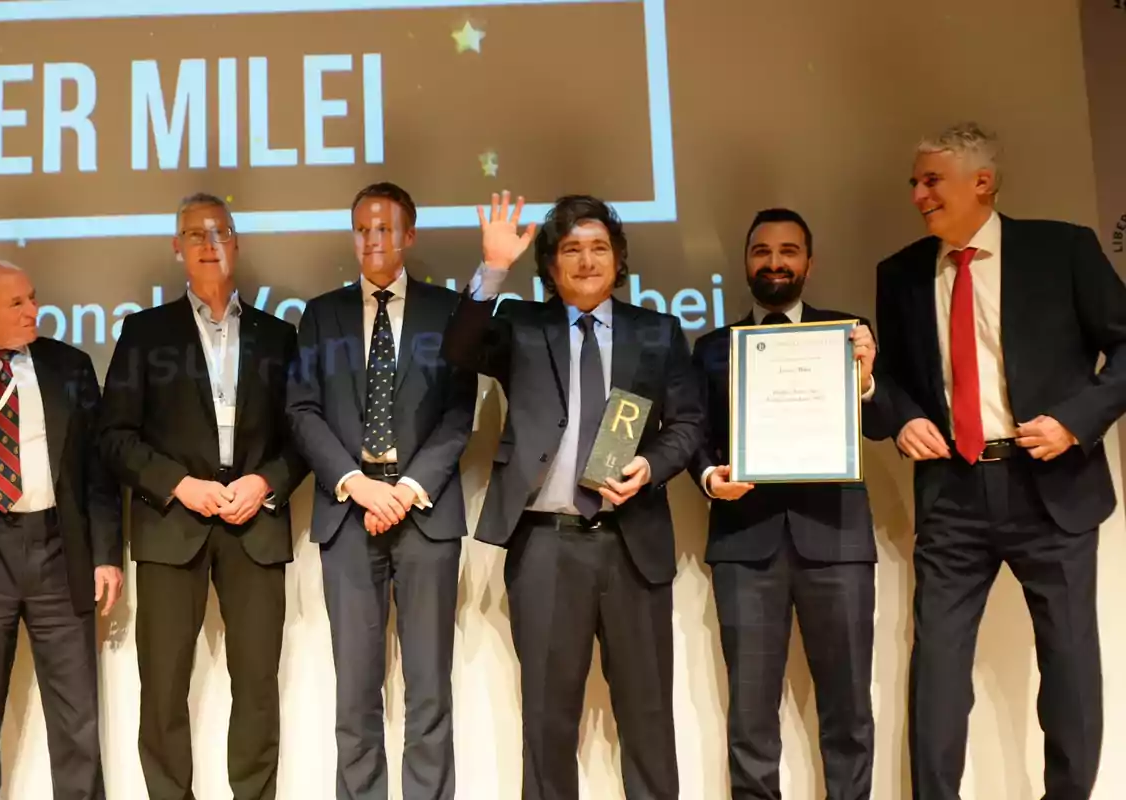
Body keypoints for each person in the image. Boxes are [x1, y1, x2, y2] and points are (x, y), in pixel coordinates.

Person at [872, 122, 1126, 799]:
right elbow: (889, 385)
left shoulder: (1061, 249)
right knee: (938, 671)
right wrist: (901, 417)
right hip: (952, 492)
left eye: (932, 180)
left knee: (1070, 667)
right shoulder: (899, 274)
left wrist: (1076, 422)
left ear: (981, 183)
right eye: (915, 182)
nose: (919, 194)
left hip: (1053, 487)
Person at [441, 192, 703, 800]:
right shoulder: (521, 325)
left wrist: (650, 465)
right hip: (546, 546)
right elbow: (457, 349)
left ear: (619, 260)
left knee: (647, 719)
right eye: (571, 250)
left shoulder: (656, 331)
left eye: (599, 249)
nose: (587, 262)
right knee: (547, 722)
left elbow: (688, 425)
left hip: (632, 542)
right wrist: (493, 268)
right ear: (552, 265)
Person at [97, 193, 307, 800]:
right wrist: (179, 484)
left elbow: (304, 436)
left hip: (256, 527)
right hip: (170, 527)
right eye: (194, 234)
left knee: (257, 686)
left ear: (236, 242)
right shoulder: (144, 333)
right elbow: (113, 438)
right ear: (177, 248)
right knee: (162, 687)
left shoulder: (278, 337)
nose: (208, 244)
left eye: (219, 232)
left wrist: (265, 482)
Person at [690, 209, 890, 800]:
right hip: (744, 545)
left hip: (838, 541)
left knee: (849, 709)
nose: (774, 262)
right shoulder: (711, 348)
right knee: (750, 718)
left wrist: (868, 378)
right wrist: (707, 476)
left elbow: (880, 425)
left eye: (788, 251)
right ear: (746, 261)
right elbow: (694, 434)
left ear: (809, 262)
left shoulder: (850, 335)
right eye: (761, 251)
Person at [286, 182, 476, 800]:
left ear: (409, 236)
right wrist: (358, 485)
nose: (372, 240)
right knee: (355, 693)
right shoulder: (322, 314)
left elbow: (458, 414)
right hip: (348, 514)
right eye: (363, 229)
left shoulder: (448, 311)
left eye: (385, 229)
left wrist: (408, 487)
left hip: (425, 513)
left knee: (429, 691)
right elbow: (303, 410)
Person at [0, 260, 123, 800]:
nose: (33, 310)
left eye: (32, 298)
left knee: (79, 723)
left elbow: (96, 470)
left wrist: (107, 553)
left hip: (61, 551)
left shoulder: (71, 367)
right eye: (16, 303)